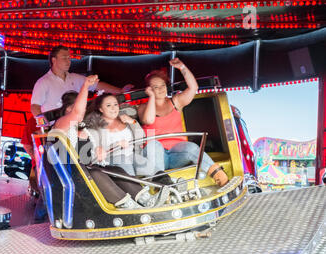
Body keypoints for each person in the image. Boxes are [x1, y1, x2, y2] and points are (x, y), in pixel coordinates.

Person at [50, 76, 170, 208]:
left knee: (115, 169)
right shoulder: (62, 124)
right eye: (78, 107)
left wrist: (99, 151)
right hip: (69, 173)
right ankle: (128, 205)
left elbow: (88, 158)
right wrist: (85, 85)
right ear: (67, 110)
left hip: (90, 166)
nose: (82, 111)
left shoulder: (84, 130)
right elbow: (78, 159)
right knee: (98, 171)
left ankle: (146, 198)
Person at [137, 58, 229, 187]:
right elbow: (149, 120)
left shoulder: (175, 102)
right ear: (149, 89)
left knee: (191, 147)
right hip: (156, 156)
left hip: (176, 154)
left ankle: (219, 176)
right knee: (154, 145)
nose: (160, 89)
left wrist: (182, 67)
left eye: (162, 85)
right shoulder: (143, 107)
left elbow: (193, 87)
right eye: (155, 87)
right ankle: (162, 185)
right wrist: (152, 97)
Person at [30, 45, 134, 117]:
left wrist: (120, 91)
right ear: (54, 60)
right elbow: (35, 107)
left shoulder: (75, 77)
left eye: (69, 58)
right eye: (64, 58)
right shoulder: (43, 82)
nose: (68, 61)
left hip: (76, 123)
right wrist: (45, 126)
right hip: (56, 128)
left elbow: (97, 85)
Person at [83, 93, 164, 177]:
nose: (113, 108)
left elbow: (141, 138)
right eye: (108, 105)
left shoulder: (124, 119)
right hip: (112, 161)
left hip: (133, 156)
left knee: (154, 144)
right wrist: (117, 144)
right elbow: (97, 155)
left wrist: (133, 122)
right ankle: (136, 187)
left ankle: (162, 180)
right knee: (123, 158)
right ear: (101, 109)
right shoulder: (95, 128)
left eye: (115, 104)